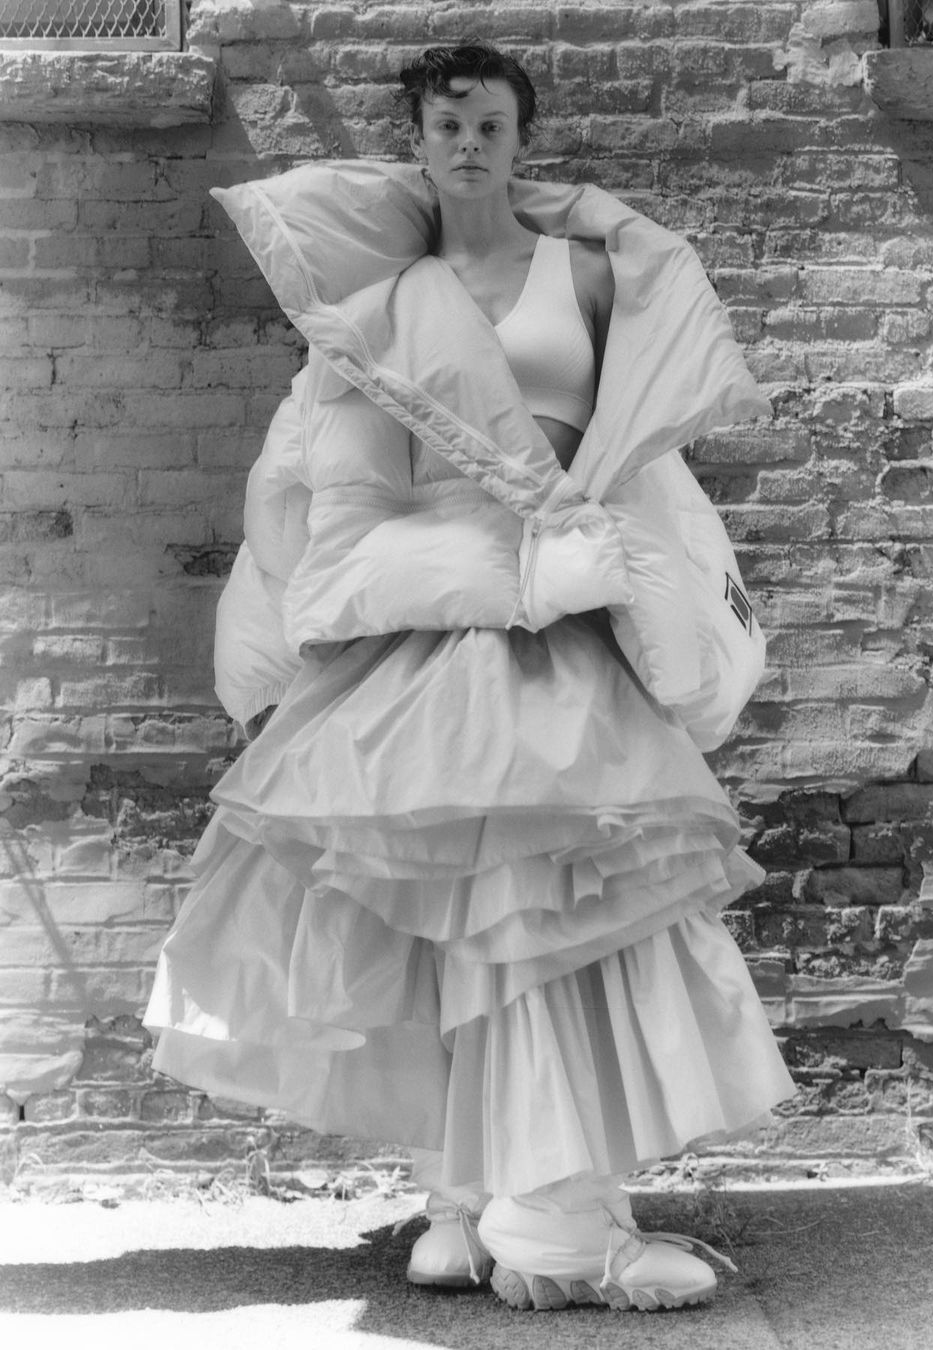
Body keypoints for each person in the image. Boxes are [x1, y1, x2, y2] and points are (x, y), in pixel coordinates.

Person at [145, 41, 796, 1313]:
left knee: (547, 910)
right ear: (418, 140)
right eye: (447, 125)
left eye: (492, 124)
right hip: (437, 623)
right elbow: (327, 483)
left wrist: (635, 579)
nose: (469, 144)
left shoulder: (585, 274)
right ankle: (511, 1215)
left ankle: (518, 1207)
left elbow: (631, 440)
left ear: (520, 138)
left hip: (561, 617)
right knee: (448, 917)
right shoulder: (384, 302)